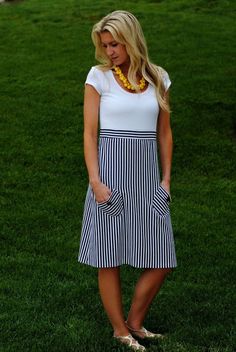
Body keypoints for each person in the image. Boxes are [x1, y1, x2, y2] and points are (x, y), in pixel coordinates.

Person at [78, 10, 177, 351]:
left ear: (132, 39)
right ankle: (120, 331)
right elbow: (90, 134)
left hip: (148, 181)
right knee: (109, 256)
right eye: (105, 45)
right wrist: (95, 180)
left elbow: (164, 133)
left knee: (162, 259)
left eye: (115, 43)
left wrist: (165, 179)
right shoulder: (99, 77)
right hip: (110, 180)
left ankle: (135, 322)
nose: (110, 51)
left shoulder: (158, 77)